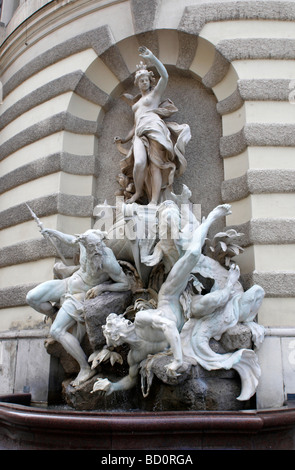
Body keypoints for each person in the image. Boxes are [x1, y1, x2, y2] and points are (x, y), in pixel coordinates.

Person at [92, 204, 232, 395]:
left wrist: (177, 359)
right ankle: (230, 288)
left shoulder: (141, 322)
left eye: (119, 322)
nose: (123, 322)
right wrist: (113, 387)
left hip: (170, 296)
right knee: (210, 300)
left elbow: (168, 326)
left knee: (191, 254)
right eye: (118, 327)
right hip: (186, 315)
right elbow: (131, 379)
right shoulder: (134, 356)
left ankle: (211, 217)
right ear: (118, 338)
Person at [26, 228, 130, 387]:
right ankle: (55, 314)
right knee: (32, 297)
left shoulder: (107, 260)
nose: (94, 252)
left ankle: (85, 368)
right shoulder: (84, 242)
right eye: (90, 249)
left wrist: (102, 288)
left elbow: (125, 284)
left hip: (80, 296)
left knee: (56, 331)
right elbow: (70, 239)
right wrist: (52, 232)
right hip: (69, 283)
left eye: (96, 248)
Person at [115, 46, 191, 206]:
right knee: (140, 163)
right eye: (140, 80)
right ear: (137, 83)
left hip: (155, 128)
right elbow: (135, 124)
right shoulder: (136, 105)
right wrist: (124, 139)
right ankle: (138, 192)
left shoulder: (154, 95)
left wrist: (152, 59)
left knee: (156, 165)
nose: (143, 82)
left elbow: (165, 76)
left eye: (146, 80)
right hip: (139, 132)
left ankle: (154, 201)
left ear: (150, 82)